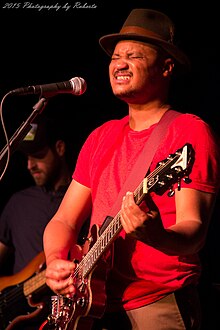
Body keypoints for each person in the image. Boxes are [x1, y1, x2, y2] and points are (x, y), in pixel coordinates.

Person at [43, 8, 220, 330]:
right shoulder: (101, 135)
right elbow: (65, 219)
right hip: (92, 302)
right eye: (116, 56)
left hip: (157, 301)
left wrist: (155, 235)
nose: (119, 63)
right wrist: (56, 260)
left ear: (166, 67)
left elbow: (193, 230)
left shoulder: (188, 132)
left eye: (134, 56)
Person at [0, 114, 73, 329]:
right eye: (27, 158)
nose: (30, 165)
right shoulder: (18, 202)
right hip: (17, 317)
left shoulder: (81, 198)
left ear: (59, 148)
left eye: (38, 155)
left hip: (65, 313)